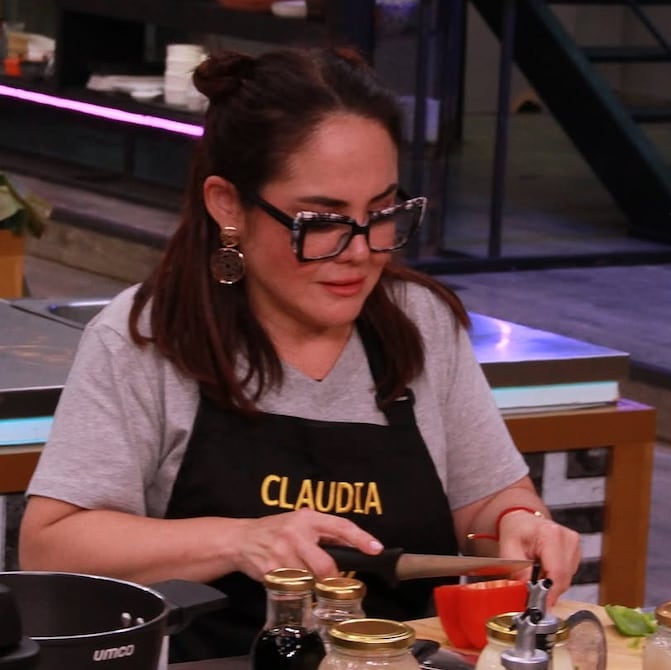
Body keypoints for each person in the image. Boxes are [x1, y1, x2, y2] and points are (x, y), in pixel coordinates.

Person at [18, 46, 581, 661]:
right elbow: (52, 548)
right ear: (228, 204)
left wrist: (518, 526)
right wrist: (240, 541)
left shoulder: (420, 325)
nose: (360, 252)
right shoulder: (147, 337)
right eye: (322, 221)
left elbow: (486, 505)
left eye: (382, 214)